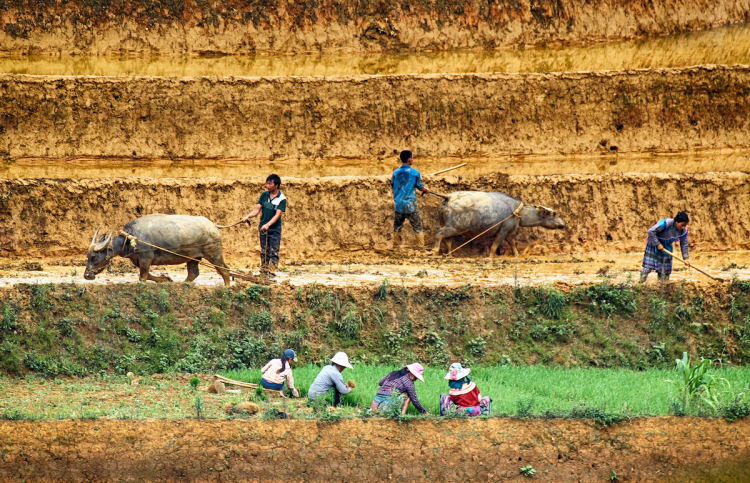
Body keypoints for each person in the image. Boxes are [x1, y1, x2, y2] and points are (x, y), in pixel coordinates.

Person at [241, 174, 287, 275]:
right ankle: (264, 270)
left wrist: (268, 225)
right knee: (264, 250)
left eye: (270, 184)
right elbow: (257, 210)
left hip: (274, 228)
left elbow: (277, 215)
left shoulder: (282, 199)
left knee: (273, 251)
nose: (267, 185)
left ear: (276, 185)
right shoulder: (264, 195)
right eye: (267, 183)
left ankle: (273, 271)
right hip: (263, 227)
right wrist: (248, 216)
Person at [392, 150, 431, 250]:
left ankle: (396, 247)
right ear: (409, 160)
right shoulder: (415, 172)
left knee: (397, 226)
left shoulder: (395, 172)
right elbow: (419, 186)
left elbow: (393, 185)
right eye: (412, 158)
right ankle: (421, 247)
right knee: (417, 226)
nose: (413, 160)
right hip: (411, 205)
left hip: (399, 205)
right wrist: (426, 190)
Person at [640, 211, 690, 283]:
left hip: (666, 247)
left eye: (685, 225)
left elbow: (684, 244)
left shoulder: (683, 231)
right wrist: (657, 244)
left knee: (665, 271)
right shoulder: (666, 224)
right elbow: (651, 231)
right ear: (676, 222)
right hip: (654, 245)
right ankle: (640, 284)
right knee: (647, 268)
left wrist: (686, 258)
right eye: (682, 225)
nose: (683, 227)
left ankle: (662, 288)